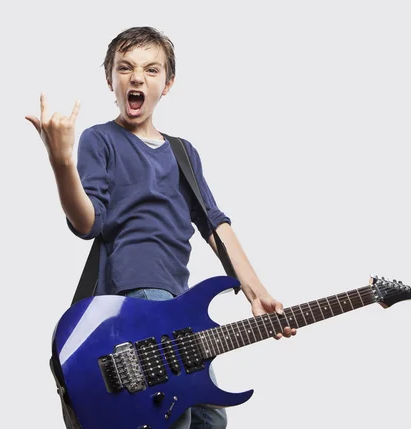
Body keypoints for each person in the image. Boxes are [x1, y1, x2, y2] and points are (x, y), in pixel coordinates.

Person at [26, 26, 296, 429]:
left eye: (152, 70)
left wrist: (256, 293)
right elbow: (87, 223)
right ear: (110, 79)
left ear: (167, 84)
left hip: (178, 303)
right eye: (126, 68)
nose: (137, 77)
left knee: (211, 419)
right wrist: (62, 163)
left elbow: (214, 223)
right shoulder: (101, 140)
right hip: (135, 297)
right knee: (177, 417)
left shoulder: (182, 152)